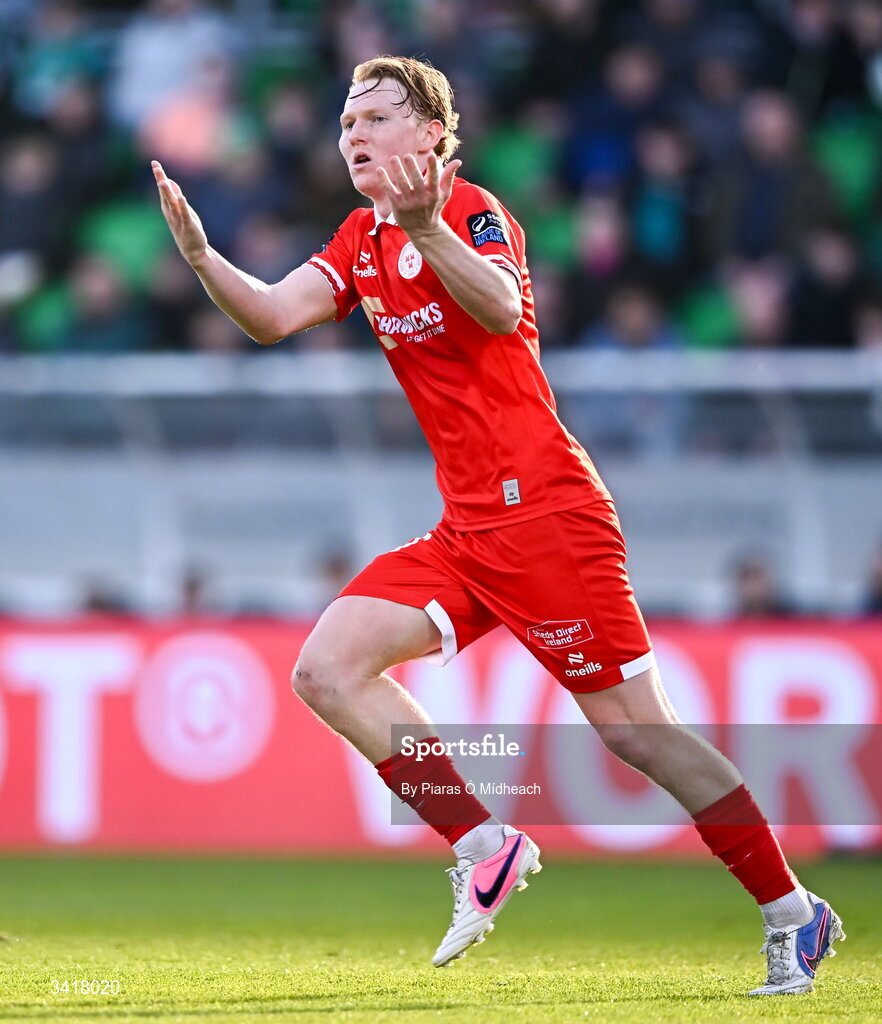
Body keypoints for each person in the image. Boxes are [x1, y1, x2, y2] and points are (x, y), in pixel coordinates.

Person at [153, 55, 844, 996]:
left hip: (551, 517)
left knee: (640, 734)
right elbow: (273, 317)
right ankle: (484, 843)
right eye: (345, 120)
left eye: (375, 117)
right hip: (468, 531)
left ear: (430, 135)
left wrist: (429, 226)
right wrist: (202, 259)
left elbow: (499, 304)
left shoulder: (472, 211)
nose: (351, 133)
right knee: (327, 667)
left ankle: (794, 915)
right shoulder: (359, 237)